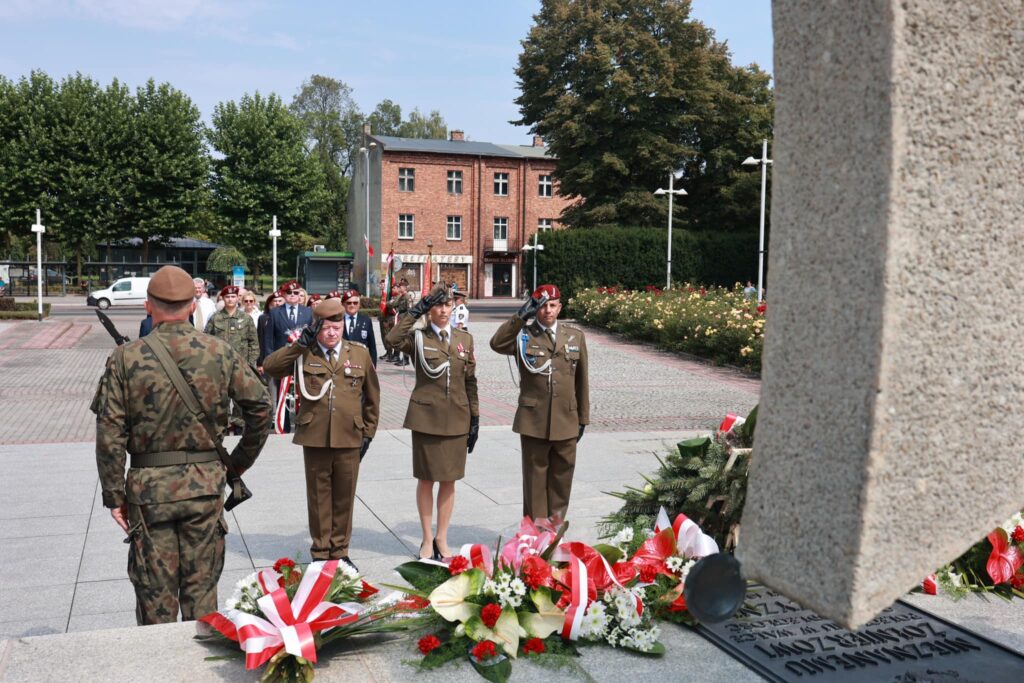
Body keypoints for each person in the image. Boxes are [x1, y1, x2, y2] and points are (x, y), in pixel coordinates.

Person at [92, 265, 270, 627]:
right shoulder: (219, 351)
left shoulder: (125, 358)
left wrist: (114, 495)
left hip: (149, 492)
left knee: (154, 597)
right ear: (193, 305)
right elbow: (261, 408)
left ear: (148, 307)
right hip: (204, 487)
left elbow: (109, 432)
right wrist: (238, 463)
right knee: (202, 594)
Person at [263, 298, 379, 570]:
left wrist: (369, 433)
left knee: (344, 496)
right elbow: (270, 367)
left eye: (336, 328)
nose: (332, 333)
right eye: (326, 328)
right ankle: (321, 551)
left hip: (350, 435)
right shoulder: (305, 352)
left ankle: (340, 551)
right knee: (318, 497)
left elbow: (372, 396)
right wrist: (299, 344)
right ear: (317, 328)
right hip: (315, 435)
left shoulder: (358, 354)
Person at [387, 283, 479, 560]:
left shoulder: (465, 339)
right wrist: (415, 310)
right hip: (426, 418)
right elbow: (392, 339)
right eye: (437, 305)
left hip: (457, 418)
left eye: (447, 304)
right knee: (426, 480)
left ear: (454, 306)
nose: (443, 310)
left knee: (449, 481)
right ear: (430, 309)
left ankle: (442, 537)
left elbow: (470, 381)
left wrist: (475, 417)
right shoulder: (417, 338)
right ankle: (427, 538)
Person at [489, 284, 589, 521]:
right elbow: (496, 343)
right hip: (534, 420)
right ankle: (535, 533)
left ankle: (555, 531)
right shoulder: (524, 335)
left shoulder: (575, 336)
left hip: (566, 418)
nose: (547, 310)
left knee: (562, 478)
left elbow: (581, 380)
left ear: (560, 307)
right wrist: (521, 316)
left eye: (552, 305)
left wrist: (583, 418)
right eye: (542, 306)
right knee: (535, 480)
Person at [205, 285, 261, 433]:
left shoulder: (246, 319)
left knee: (240, 397)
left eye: (233, 297)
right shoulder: (215, 318)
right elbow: (206, 342)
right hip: (220, 366)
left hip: (241, 366)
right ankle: (222, 426)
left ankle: (238, 425)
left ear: (238, 298)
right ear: (223, 299)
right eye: (227, 297)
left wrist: (249, 363)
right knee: (221, 397)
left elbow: (254, 343)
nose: (230, 299)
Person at [264, 281, 313, 433]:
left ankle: (302, 424)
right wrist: (270, 361)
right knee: (282, 393)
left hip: (301, 360)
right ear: (284, 295)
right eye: (289, 293)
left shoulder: (308, 312)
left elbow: (312, 338)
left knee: (302, 392)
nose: (293, 295)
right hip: (282, 361)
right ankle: (283, 425)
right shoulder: (274, 313)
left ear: (300, 295)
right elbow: (268, 340)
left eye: (296, 293)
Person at [340, 289, 378, 367]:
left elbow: (372, 346)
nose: (352, 305)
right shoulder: (338, 320)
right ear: (343, 304)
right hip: (341, 363)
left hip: (360, 364)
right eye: (349, 303)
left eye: (355, 303)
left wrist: (373, 366)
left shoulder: (366, 320)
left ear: (359, 304)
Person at [388, 279, 412, 366]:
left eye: (400, 287)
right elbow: (394, 305)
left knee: (405, 339)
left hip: (405, 320)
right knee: (401, 339)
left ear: (405, 287)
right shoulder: (402, 296)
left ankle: (406, 359)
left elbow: (409, 310)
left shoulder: (407, 297)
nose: (399, 288)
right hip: (400, 319)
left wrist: (407, 322)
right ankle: (402, 358)